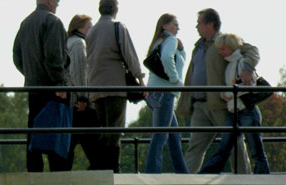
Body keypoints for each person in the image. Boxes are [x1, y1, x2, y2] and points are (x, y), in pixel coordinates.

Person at [176, 8, 259, 174]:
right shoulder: (198, 46)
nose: (196, 26)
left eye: (199, 23)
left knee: (234, 144)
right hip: (199, 106)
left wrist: (248, 68)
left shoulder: (225, 41)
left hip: (220, 105)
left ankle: (244, 179)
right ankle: (184, 182)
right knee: (194, 147)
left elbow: (252, 51)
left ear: (210, 24)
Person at [86, 0, 145, 172]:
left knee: (105, 128)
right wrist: (140, 79)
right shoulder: (118, 27)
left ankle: (100, 166)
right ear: (115, 9)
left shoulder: (91, 32)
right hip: (115, 86)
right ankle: (111, 168)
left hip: (96, 86)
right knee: (115, 129)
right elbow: (129, 55)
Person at [199, 34, 269, 174]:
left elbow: (249, 85)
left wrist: (228, 94)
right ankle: (208, 173)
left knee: (254, 148)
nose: (221, 52)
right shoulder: (233, 64)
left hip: (244, 110)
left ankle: (207, 174)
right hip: (236, 111)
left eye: (223, 49)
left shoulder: (240, 63)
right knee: (226, 147)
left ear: (231, 48)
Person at [12, 0, 70, 172]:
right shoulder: (53, 22)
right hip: (52, 90)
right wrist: (60, 84)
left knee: (34, 136)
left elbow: (17, 56)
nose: (58, 4)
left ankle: (34, 174)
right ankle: (57, 179)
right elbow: (53, 57)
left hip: (33, 88)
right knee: (56, 139)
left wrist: (30, 74)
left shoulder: (26, 23)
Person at [143, 14, 189, 174]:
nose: (178, 28)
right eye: (174, 24)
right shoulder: (170, 40)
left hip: (153, 93)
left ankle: (182, 172)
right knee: (161, 136)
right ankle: (152, 173)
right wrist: (174, 79)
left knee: (174, 136)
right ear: (164, 25)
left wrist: (181, 50)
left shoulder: (158, 41)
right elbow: (167, 57)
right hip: (165, 93)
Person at [62, 14, 101, 170]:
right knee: (96, 150)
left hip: (71, 102)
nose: (91, 31)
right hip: (79, 103)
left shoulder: (68, 43)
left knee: (69, 147)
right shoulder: (79, 44)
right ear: (79, 27)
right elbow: (78, 72)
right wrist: (83, 98)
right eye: (89, 27)